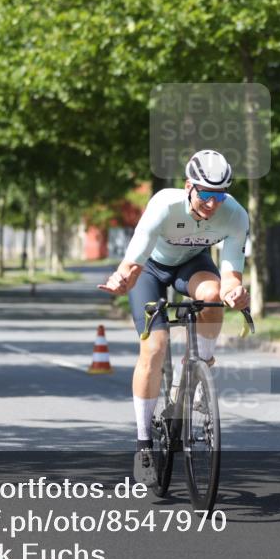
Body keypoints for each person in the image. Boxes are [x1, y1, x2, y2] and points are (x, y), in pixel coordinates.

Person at [97, 150, 250, 486]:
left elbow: (231, 275)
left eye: (220, 195)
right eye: (206, 195)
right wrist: (121, 278)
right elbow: (133, 261)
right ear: (188, 187)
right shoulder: (165, 205)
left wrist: (235, 293)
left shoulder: (235, 215)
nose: (212, 204)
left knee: (212, 297)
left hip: (192, 266)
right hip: (150, 269)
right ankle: (143, 443)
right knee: (155, 347)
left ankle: (199, 369)